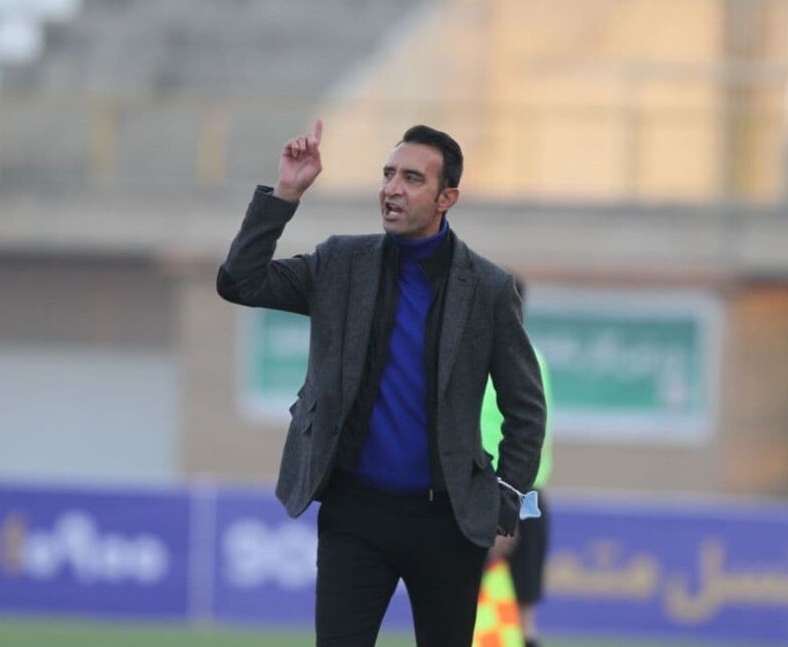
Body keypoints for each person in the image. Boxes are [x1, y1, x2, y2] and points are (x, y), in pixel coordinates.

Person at [216, 119, 546, 647]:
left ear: (446, 198)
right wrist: (285, 194)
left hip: (449, 522)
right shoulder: (340, 263)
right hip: (355, 515)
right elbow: (240, 281)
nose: (392, 188)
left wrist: (503, 499)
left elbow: (526, 406)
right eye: (388, 174)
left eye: (412, 179)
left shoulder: (487, 288)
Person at [480, 274, 553, 647]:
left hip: (495, 491)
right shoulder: (535, 357)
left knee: (465, 605)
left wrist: (504, 510)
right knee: (524, 615)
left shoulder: (485, 357)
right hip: (529, 494)